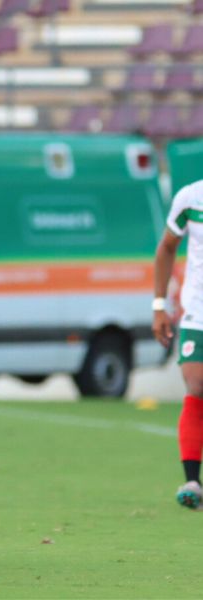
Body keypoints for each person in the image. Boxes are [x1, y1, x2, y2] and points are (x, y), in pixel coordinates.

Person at [153, 179, 203, 509]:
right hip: (197, 314)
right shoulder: (190, 197)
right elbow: (167, 247)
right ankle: (192, 481)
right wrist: (160, 306)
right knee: (196, 383)